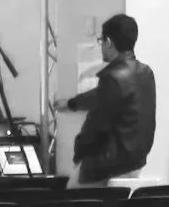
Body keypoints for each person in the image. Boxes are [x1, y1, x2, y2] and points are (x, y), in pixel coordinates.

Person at [62, 12, 156, 184]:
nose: (101, 46)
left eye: (101, 41)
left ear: (109, 42)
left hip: (108, 166)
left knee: (70, 202)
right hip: (136, 163)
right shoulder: (146, 73)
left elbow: (96, 124)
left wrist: (79, 152)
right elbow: (101, 96)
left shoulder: (112, 78)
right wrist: (72, 103)